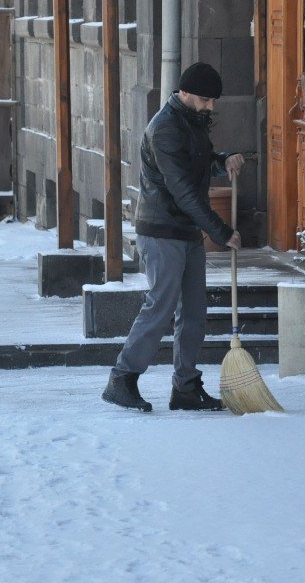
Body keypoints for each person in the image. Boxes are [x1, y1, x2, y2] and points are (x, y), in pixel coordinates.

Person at [102, 62, 244, 413]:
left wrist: (221, 161)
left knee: (194, 311)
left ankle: (185, 387)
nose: (210, 106)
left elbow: (197, 162)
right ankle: (122, 378)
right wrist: (221, 231)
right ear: (184, 93)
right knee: (161, 306)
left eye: (213, 101)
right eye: (205, 99)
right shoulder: (164, 128)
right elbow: (181, 189)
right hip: (162, 230)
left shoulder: (191, 121)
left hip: (186, 231)